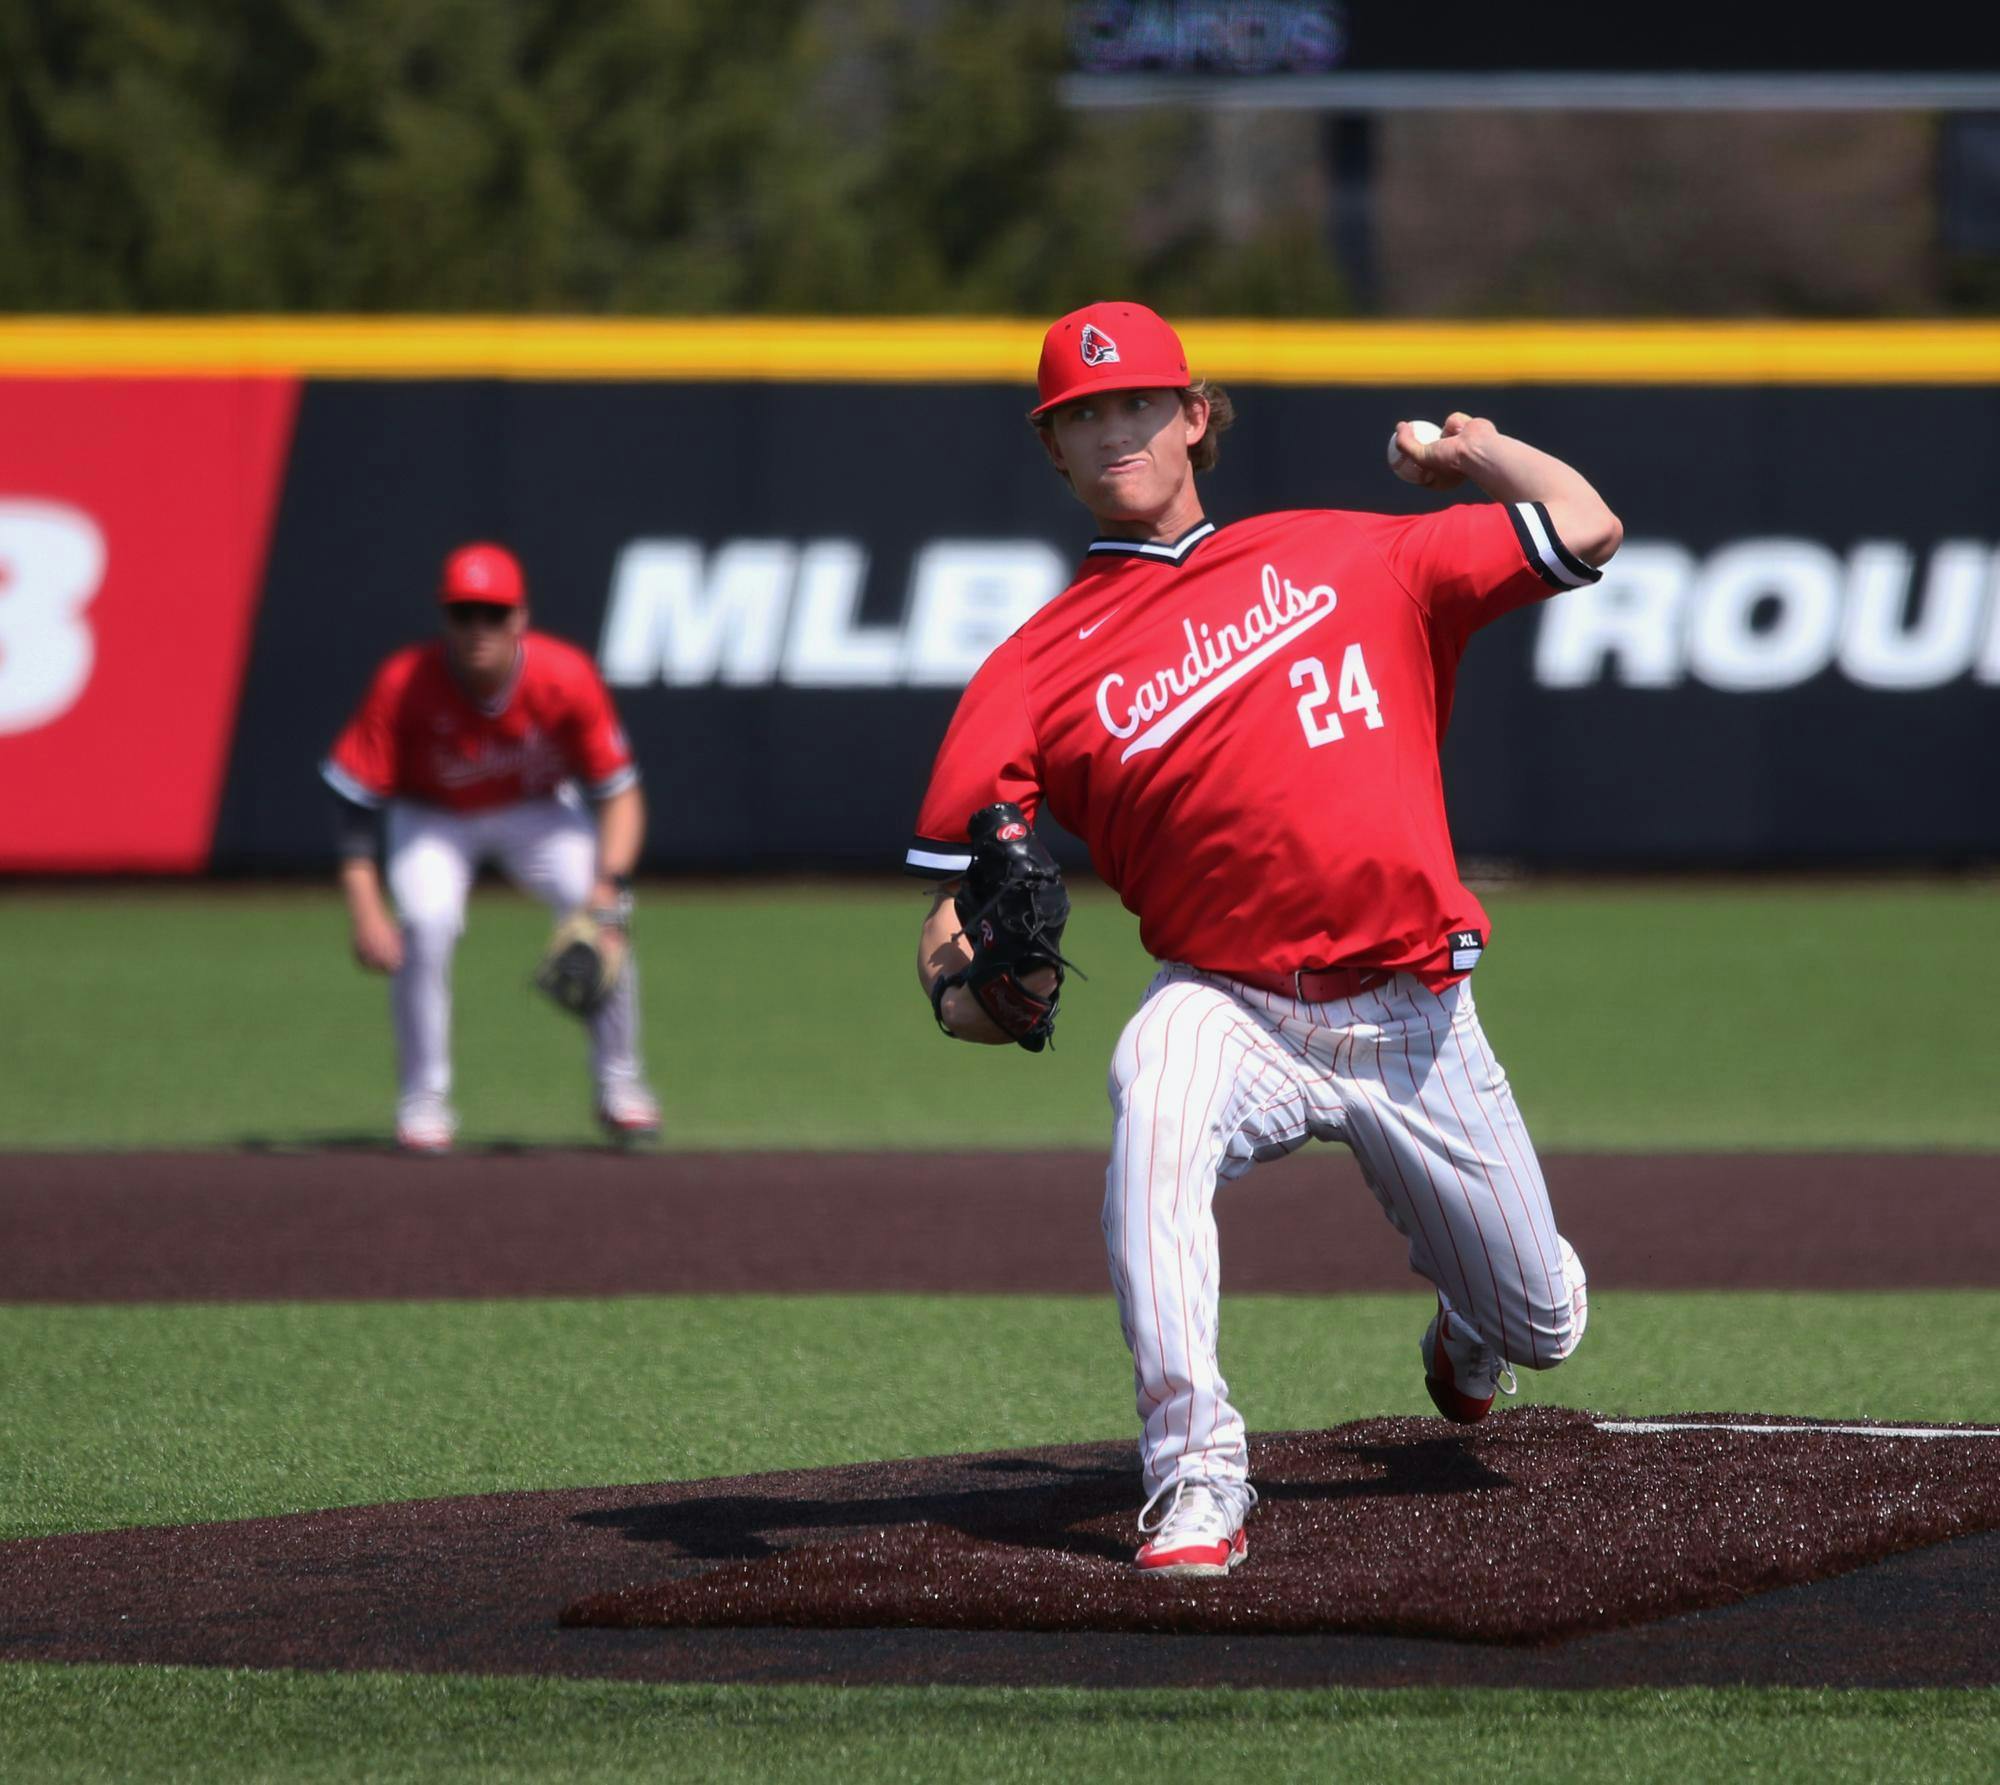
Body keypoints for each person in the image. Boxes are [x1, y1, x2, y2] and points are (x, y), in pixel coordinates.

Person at [907, 301, 1615, 1578]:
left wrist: (1475, 449)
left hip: (1414, 1018)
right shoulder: (1029, 666)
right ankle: (1192, 1480)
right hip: (1225, 1002)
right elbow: (957, 907)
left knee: (1545, 1320)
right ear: (1052, 452)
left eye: (1133, 403)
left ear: (1192, 418)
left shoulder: (1354, 553)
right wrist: (962, 996)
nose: (1109, 429)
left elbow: (1584, 525)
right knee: (1150, 1104)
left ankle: (1469, 1322)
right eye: (1079, 415)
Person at [322, 541, 659, 1153]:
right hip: (433, 818)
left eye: (493, 613)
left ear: (520, 618)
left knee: (604, 918)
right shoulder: (404, 683)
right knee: (425, 924)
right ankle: (423, 1103)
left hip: (536, 810)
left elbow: (621, 794)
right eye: (464, 613)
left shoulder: (564, 676)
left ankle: (622, 1088)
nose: (479, 628)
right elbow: (355, 805)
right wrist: (367, 910)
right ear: (444, 618)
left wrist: (609, 888)